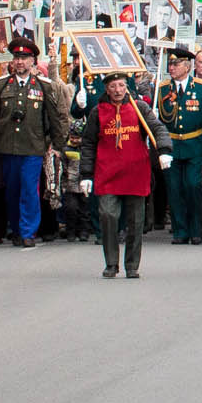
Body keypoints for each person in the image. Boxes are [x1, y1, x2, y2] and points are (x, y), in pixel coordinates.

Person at [79, 70, 172, 278]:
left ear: (127, 87)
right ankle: (111, 262)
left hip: (135, 172)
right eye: (113, 86)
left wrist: (165, 150)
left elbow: (157, 129)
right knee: (108, 215)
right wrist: (85, 174)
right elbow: (88, 143)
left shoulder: (139, 108)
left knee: (135, 221)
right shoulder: (98, 111)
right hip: (107, 172)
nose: (117, 90)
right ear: (107, 89)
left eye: (121, 85)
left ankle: (132, 265)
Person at [0, 38, 68, 249]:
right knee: (12, 190)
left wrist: (58, 146)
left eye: (24, 58)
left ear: (33, 61)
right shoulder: (1, 85)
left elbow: (54, 117)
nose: (20, 62)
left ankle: (28, 231)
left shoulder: (43, 86)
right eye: (17, 58)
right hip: (7, 146)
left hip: (33, 147)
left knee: (30, 189)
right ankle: (16, 228)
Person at [156, 46, 202, 245]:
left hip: (195, 145)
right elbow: (160, 121)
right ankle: (180, 231)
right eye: (170, 64)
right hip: (171, 146)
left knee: (193, 187)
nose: (172, 68)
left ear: (187, 66)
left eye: (176, 64)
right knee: (175, 189)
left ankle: (196, 229)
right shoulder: (162, 90)